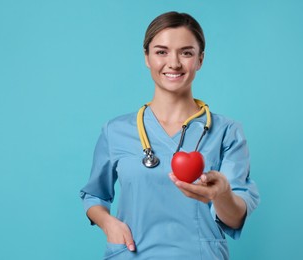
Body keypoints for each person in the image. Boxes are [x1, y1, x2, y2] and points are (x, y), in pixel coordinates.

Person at [80, 11, 260, 259]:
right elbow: (94, 195)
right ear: (147, 57)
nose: (173, 63)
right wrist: (108, 223)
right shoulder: (116, 131)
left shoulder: (227, 132)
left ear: (200, 60)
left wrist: (221, 194)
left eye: (186, 52)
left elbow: (235, 216)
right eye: (161, 52)